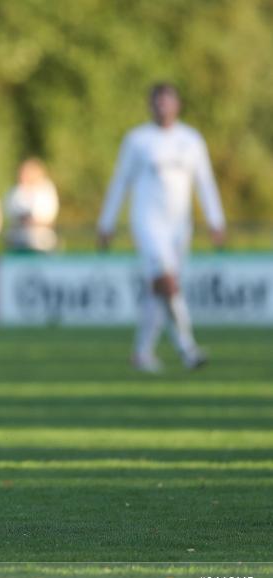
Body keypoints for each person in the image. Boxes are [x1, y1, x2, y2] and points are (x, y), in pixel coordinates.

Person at [98, 82, 226, 372]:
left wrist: (215, 220)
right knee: (168, 284)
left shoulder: (191, 140)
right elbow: (120, 182)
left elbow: (205, 182)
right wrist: (106, 222)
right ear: (150, 105)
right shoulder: (138, 140)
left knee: (161, 292)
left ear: (177, 105)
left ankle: (142, 353)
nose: (162, 107)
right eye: (157, 102)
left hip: (180, 227)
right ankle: (188, 348)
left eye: (167, 102)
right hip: (148, 222)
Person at [4, 158, 59, 252]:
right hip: (18, 239)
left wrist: (32, 221)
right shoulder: (15, 191)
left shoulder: (46, 189)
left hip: (42, 239)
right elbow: (10, 214)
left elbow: (49, 217)